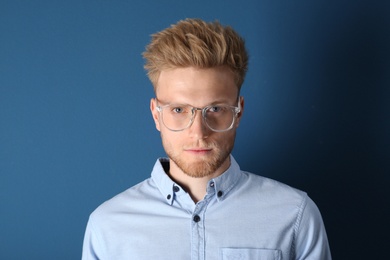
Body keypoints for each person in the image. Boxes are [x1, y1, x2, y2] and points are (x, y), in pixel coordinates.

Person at [82, 18, 331, 260]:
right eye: (179, 110)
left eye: (215, 109)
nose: (198, 132)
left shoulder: (295, 215)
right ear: (155, 115)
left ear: (239, 111)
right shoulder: (108, 226)